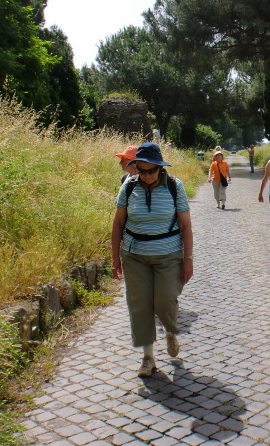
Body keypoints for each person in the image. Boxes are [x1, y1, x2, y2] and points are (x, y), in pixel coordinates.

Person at [111, 142, 194, 377]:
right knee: (140, 305)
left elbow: (186, 225)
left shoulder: (174, 187)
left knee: (165, 300)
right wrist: (115, 258)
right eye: (142, 170)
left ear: (160, 167)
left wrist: (188, 258)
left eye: (151, 171)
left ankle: (170, 331)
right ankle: (148, 358)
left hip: (168, 254)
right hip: (134, 255)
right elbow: (117, 223)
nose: (146, 176)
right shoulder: (129, 186)